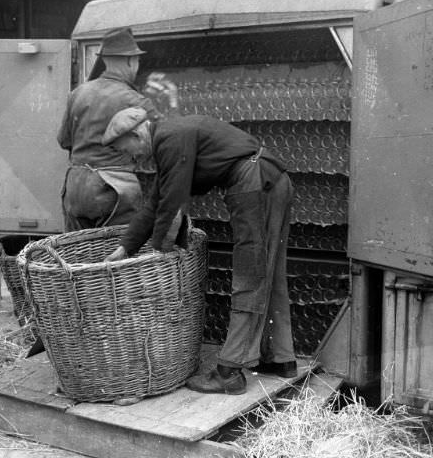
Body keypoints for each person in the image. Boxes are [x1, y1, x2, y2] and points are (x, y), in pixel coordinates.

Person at [104, 110, 297, 395]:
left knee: (250, 275)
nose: (130, 158)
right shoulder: (170, 139)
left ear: (136, 134)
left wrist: (160, 252)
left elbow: (173, 201)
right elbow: (156, 201)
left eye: (126, 150)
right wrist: (125, 248)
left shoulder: (169, 139)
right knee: (269, 274)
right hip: (267, 181)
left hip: (255, 184)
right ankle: (281, 358)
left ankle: (229, 372)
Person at [56, 26, 176, 231]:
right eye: (137, 62)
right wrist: (172, 102)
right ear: (131, 61)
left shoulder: (78, 93)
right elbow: (167, 142)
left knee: (77, 255)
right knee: (116, 256)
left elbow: (63, 141)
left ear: (105, 59)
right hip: (113, 189)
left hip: (75, 187)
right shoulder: (135, 100)